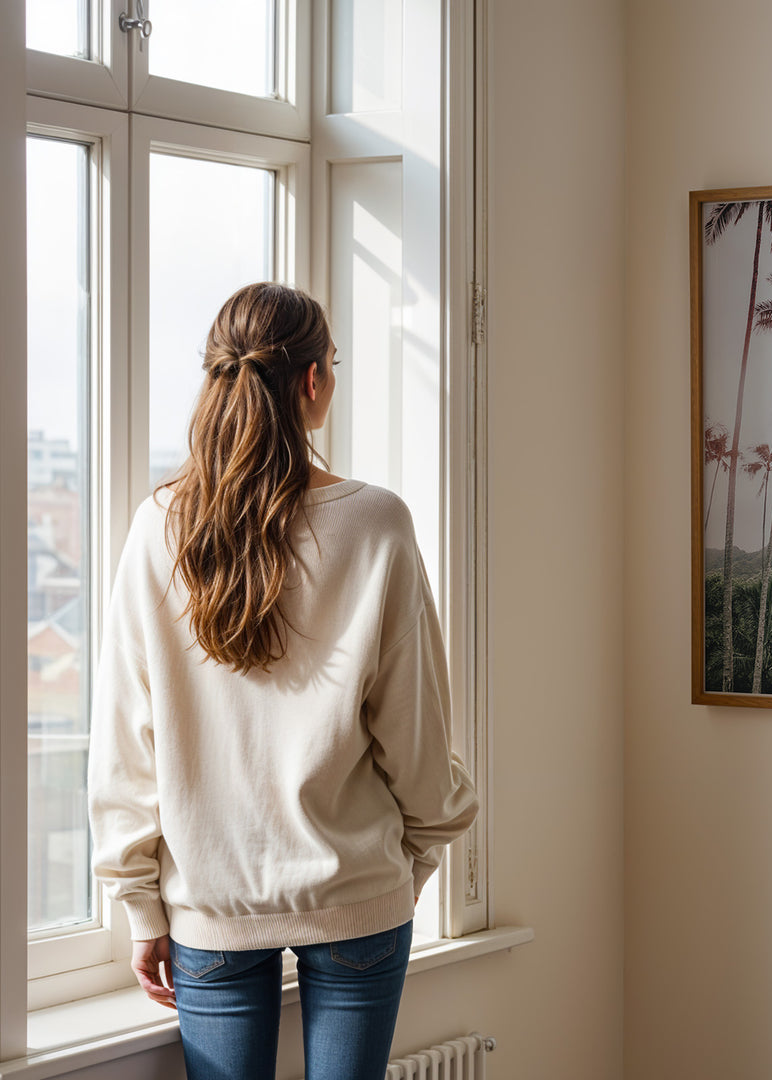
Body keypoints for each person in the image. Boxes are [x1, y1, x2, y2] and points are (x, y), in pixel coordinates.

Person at [88, 282, 479, 1080]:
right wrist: (421, 853)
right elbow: (415, 725)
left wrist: (140, 905)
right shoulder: (375, 523)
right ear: (311, 381)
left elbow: (126, 733)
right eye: (331, 364)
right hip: (359, 891)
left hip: (209, 905)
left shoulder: (158, 525)